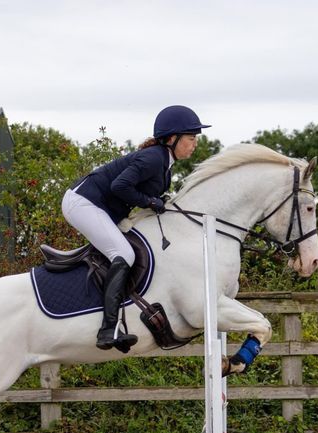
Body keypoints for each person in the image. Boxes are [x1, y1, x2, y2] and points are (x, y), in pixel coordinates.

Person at [62, 105, 210, 352]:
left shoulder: (164, 163)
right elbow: (119, 187)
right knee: (124, 254)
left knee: (127, 249)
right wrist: (151, 202)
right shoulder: (154, 158)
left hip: (100, 206)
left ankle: (118, 319)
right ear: (172, 139)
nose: (195, 144)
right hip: (84, 203)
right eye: (191, 138)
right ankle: (108, 330)